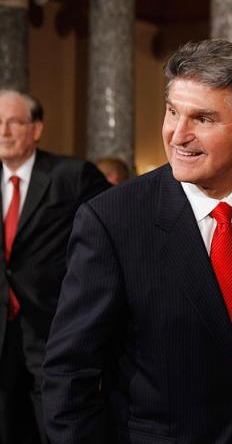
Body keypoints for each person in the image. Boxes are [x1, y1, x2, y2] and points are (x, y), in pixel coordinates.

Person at [42, 39, 232, 444]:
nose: (178, 135)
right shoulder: (112, 220)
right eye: (173, 112)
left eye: (203, 119)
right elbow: (67, 375)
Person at [0, 89, 109, 444]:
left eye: (14, 122)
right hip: (3, 332)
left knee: (55, 428)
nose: (4, 131)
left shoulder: (71, 175)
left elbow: (107, 235)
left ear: (36, 129)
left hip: (51, 325)